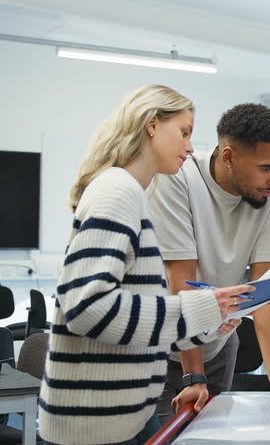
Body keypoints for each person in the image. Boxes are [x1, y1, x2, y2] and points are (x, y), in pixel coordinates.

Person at [39, 85, 254, 445]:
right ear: (152, 124)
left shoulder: (132, 194)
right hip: (94, 431)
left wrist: (209, 323)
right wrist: (199, 306)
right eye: (184, 132)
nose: (190, 147)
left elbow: (135, 318)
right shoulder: (116, 191)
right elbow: (87, 308)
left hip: (128, 418)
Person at [149, 103, 270, 421]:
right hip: (158, 347)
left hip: (217, 344)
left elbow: (266, 284)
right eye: (265, 167)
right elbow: (181, 283)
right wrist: (194, 377)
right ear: (229, 157)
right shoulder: (178, 177)